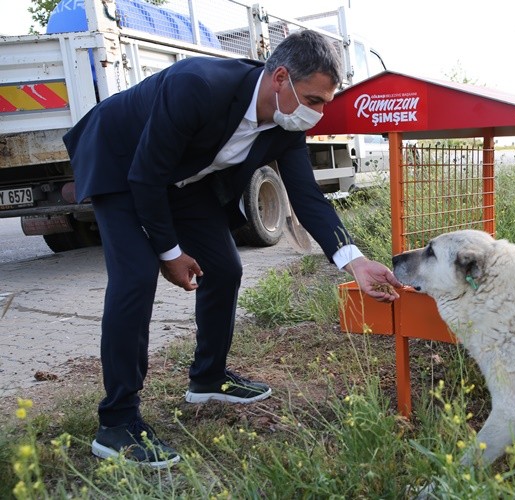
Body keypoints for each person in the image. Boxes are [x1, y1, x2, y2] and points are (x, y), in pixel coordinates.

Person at [63, 29, 402, 468]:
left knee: (225, 266)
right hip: (122, 161)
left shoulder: (284, 124)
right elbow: (146, 175)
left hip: (182, 177)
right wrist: (168, 253)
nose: (318, 114)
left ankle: (208, 377)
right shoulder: (199, 85)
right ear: (280, 78)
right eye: (315, 100)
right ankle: (117, 421)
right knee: (135, 275)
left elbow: (307, 197)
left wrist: (353, 261)